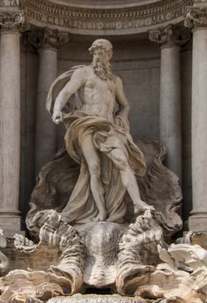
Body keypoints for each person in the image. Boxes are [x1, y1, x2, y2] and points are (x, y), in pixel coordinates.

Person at [47, 39, 153, 224]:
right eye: (96, 52)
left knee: (122, 161)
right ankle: (101, 212)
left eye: (103, 53)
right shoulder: (83, 73)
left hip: (108, 126)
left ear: (109, 56)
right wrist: (57, 109)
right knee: (93, 167)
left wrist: (121, 119)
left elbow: (125, 104)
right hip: (86, 123)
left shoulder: (114, 81)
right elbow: (65, 92)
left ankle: (137, 203)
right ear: (92, 54)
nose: (99, 56)